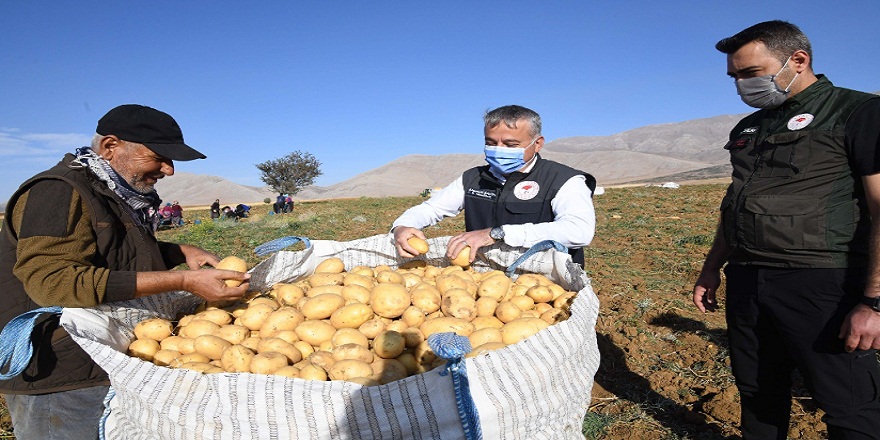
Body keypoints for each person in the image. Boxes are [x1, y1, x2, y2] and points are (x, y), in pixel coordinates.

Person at [0, 104, 251, 439]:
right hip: (58, 371)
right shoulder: (57, 192)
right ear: (110, 147)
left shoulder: (114, 192)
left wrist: (177, 252)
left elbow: (108, 253)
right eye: (158, 157)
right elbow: (53, 282)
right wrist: (183, 281)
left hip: (103, 357)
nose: (169, 169)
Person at [691, 21, 880, 439]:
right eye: (734, 77)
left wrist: (874, 302)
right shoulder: (749, 128)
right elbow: (735, 203)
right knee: (758, 393)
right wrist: (711, 268)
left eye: (750, 73)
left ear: (797, 60)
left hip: (821, 281)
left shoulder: (859, 112)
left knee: (847, 403)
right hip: (747, 279)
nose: (741, 85)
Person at [391, 105, 596, 267]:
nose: (498, 150)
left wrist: (496, 234)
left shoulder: (564, 180)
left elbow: (578, 231)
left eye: (510, 145)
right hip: (487, 280)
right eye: (491, 142)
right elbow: (431, 209)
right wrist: (403, 226)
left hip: (546, 283)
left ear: (538, 143)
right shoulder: (473, 179)